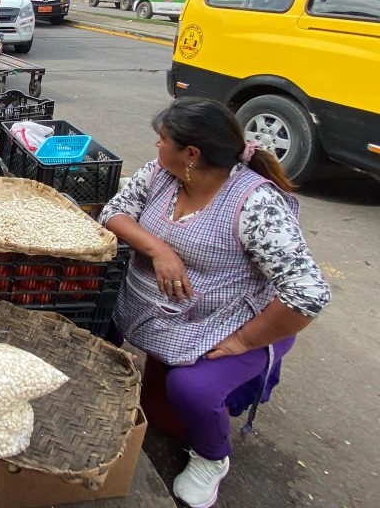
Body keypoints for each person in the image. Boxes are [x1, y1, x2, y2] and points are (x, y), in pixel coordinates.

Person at [99, 98, 330, 508]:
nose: (156, 146)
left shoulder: (255, 204)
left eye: (163, 139)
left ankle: (211, 458)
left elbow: (307, 293)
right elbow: (115, 212)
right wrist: (159, 250)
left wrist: (244, 341)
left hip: (225, 321)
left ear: (191, 154)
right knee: (100, 322)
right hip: (157, 309)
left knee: (191, 390)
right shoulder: (162, 176)